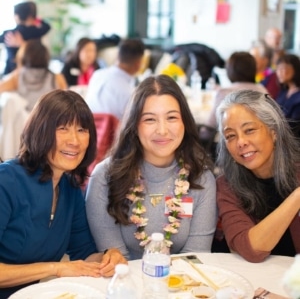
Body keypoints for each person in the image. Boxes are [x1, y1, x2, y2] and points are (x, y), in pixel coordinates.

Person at [0, 89, 127, 298]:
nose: (74, 141)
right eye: (62, 129)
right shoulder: (6, 181)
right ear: (39, 131)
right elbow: (63, 267)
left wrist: (108, 257)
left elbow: (84, 254)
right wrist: (55, 268)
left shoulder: (70, 188)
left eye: (82, 130)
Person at [85, 74, 217, 260]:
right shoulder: (106, 177)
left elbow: (196, 257)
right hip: (123, 283)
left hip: (183, 284)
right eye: (149, 120)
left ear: (185, 123)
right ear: (134, 125)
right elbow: (115, 261)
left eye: (171, 117)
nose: (162, 130)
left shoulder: (201, 178)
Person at [215, 89, 300, 263]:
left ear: (274, 131)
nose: (241, 142)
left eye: (250, 130)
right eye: (230, 136)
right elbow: (251, 249)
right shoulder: (227, 186)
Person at [85, 38, 145, 120]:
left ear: (117, 56)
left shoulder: (97, 74)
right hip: (112, 132)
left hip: (87, 128)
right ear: (138, 63)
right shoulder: (129, 94)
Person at [0, 39, 67, 111]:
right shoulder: (57, 77)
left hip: (25, 120)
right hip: (50, 120)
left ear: (24, 56)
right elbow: (67, 102)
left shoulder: (17, 76)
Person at [207, 51, 267, 129]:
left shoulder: (224, 93)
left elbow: (211, 125)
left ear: (230, 70)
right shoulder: (262, 90)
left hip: (229, 139)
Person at [0, 1, 51, 75]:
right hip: (33, 73)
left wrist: (22, 44)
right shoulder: (37, 32)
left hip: (11, 73)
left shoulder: (9, 34)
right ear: (31, 16)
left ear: (17, 16)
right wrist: (35, 18)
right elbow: (47, 26)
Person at [275, 54, 300, 137]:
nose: (279, 72)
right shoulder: (284, 91)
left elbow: (294, 124)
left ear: (295, 69)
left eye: (283, 68)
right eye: (278, 68)